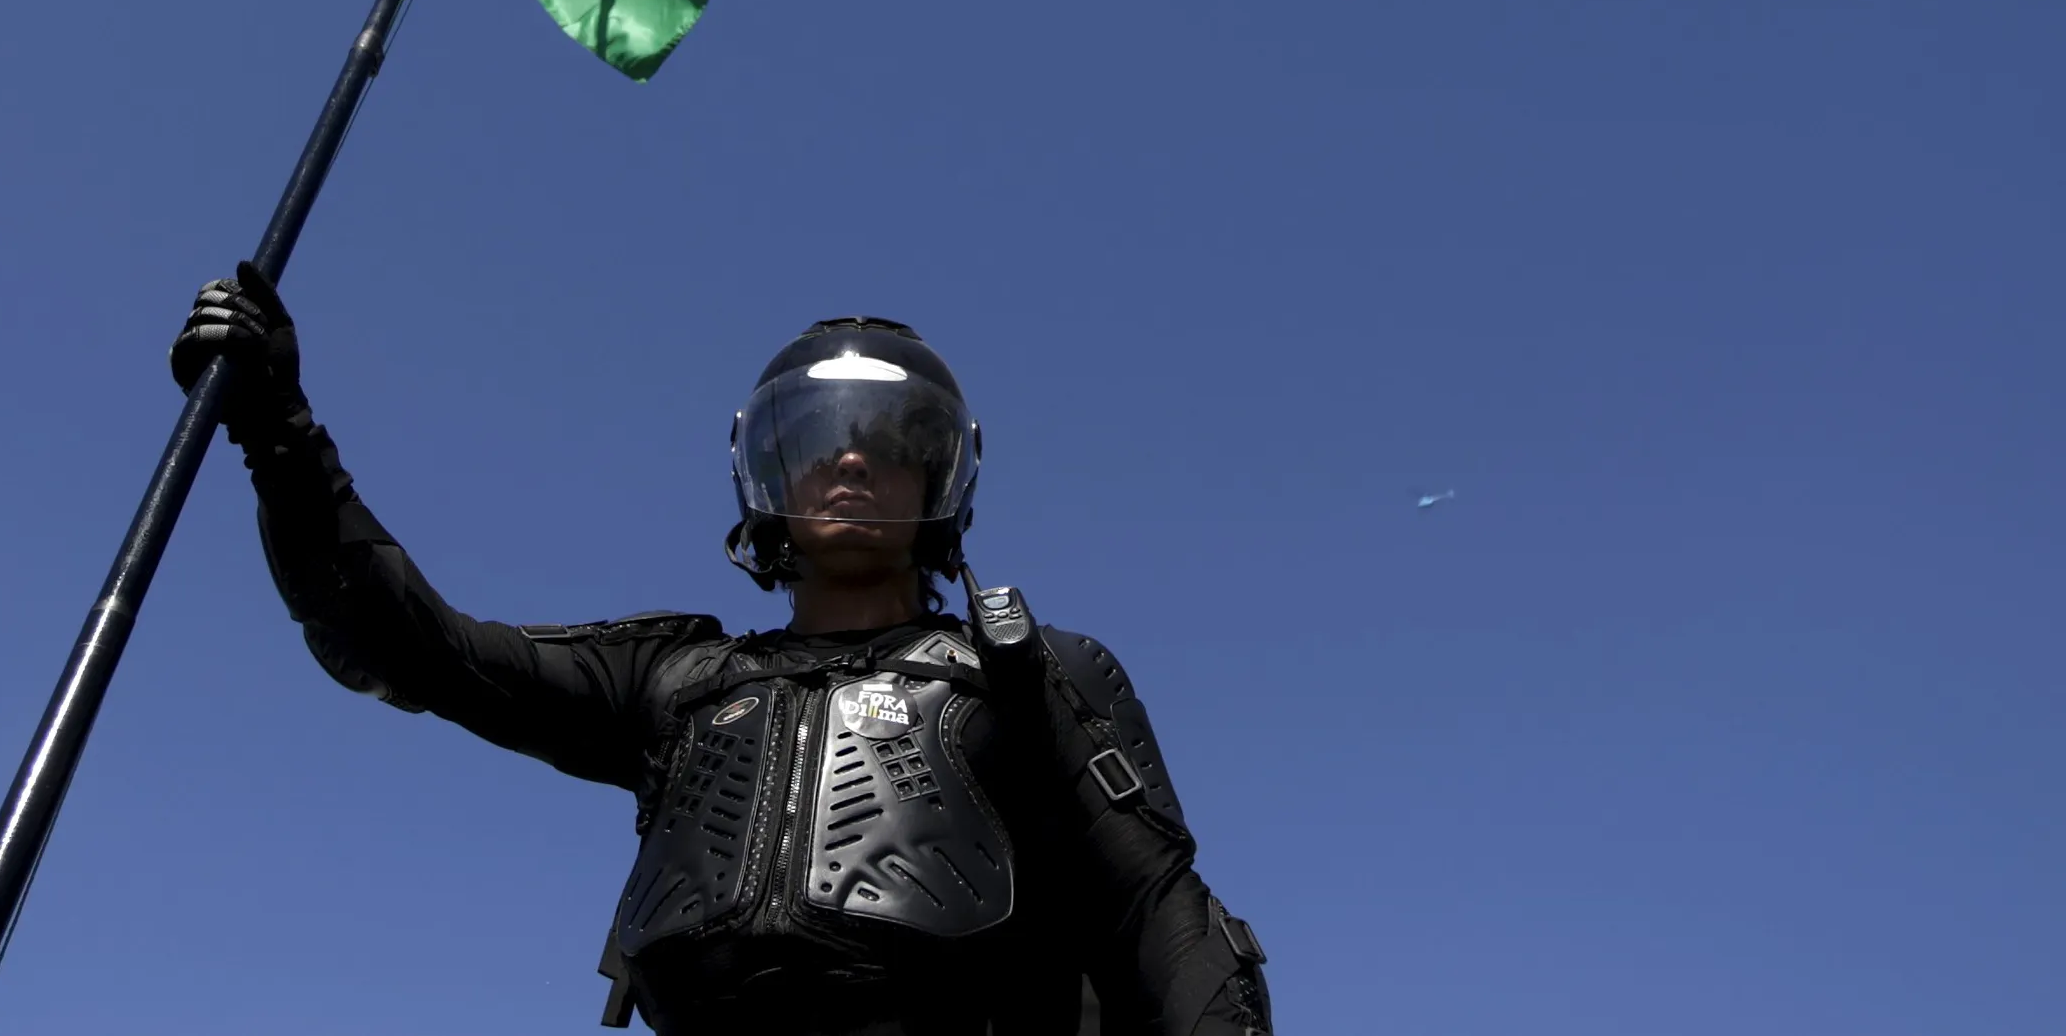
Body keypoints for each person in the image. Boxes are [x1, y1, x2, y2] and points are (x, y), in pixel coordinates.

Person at [173, 263, 1273, 1036]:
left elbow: (1159, 914)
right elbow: (412, 648)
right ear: (769, 476)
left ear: (941, 476)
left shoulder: (1029, 670)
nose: (852, 460)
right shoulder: (675, 678)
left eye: (889, 443)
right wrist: (280, 434)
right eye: (822, 442)